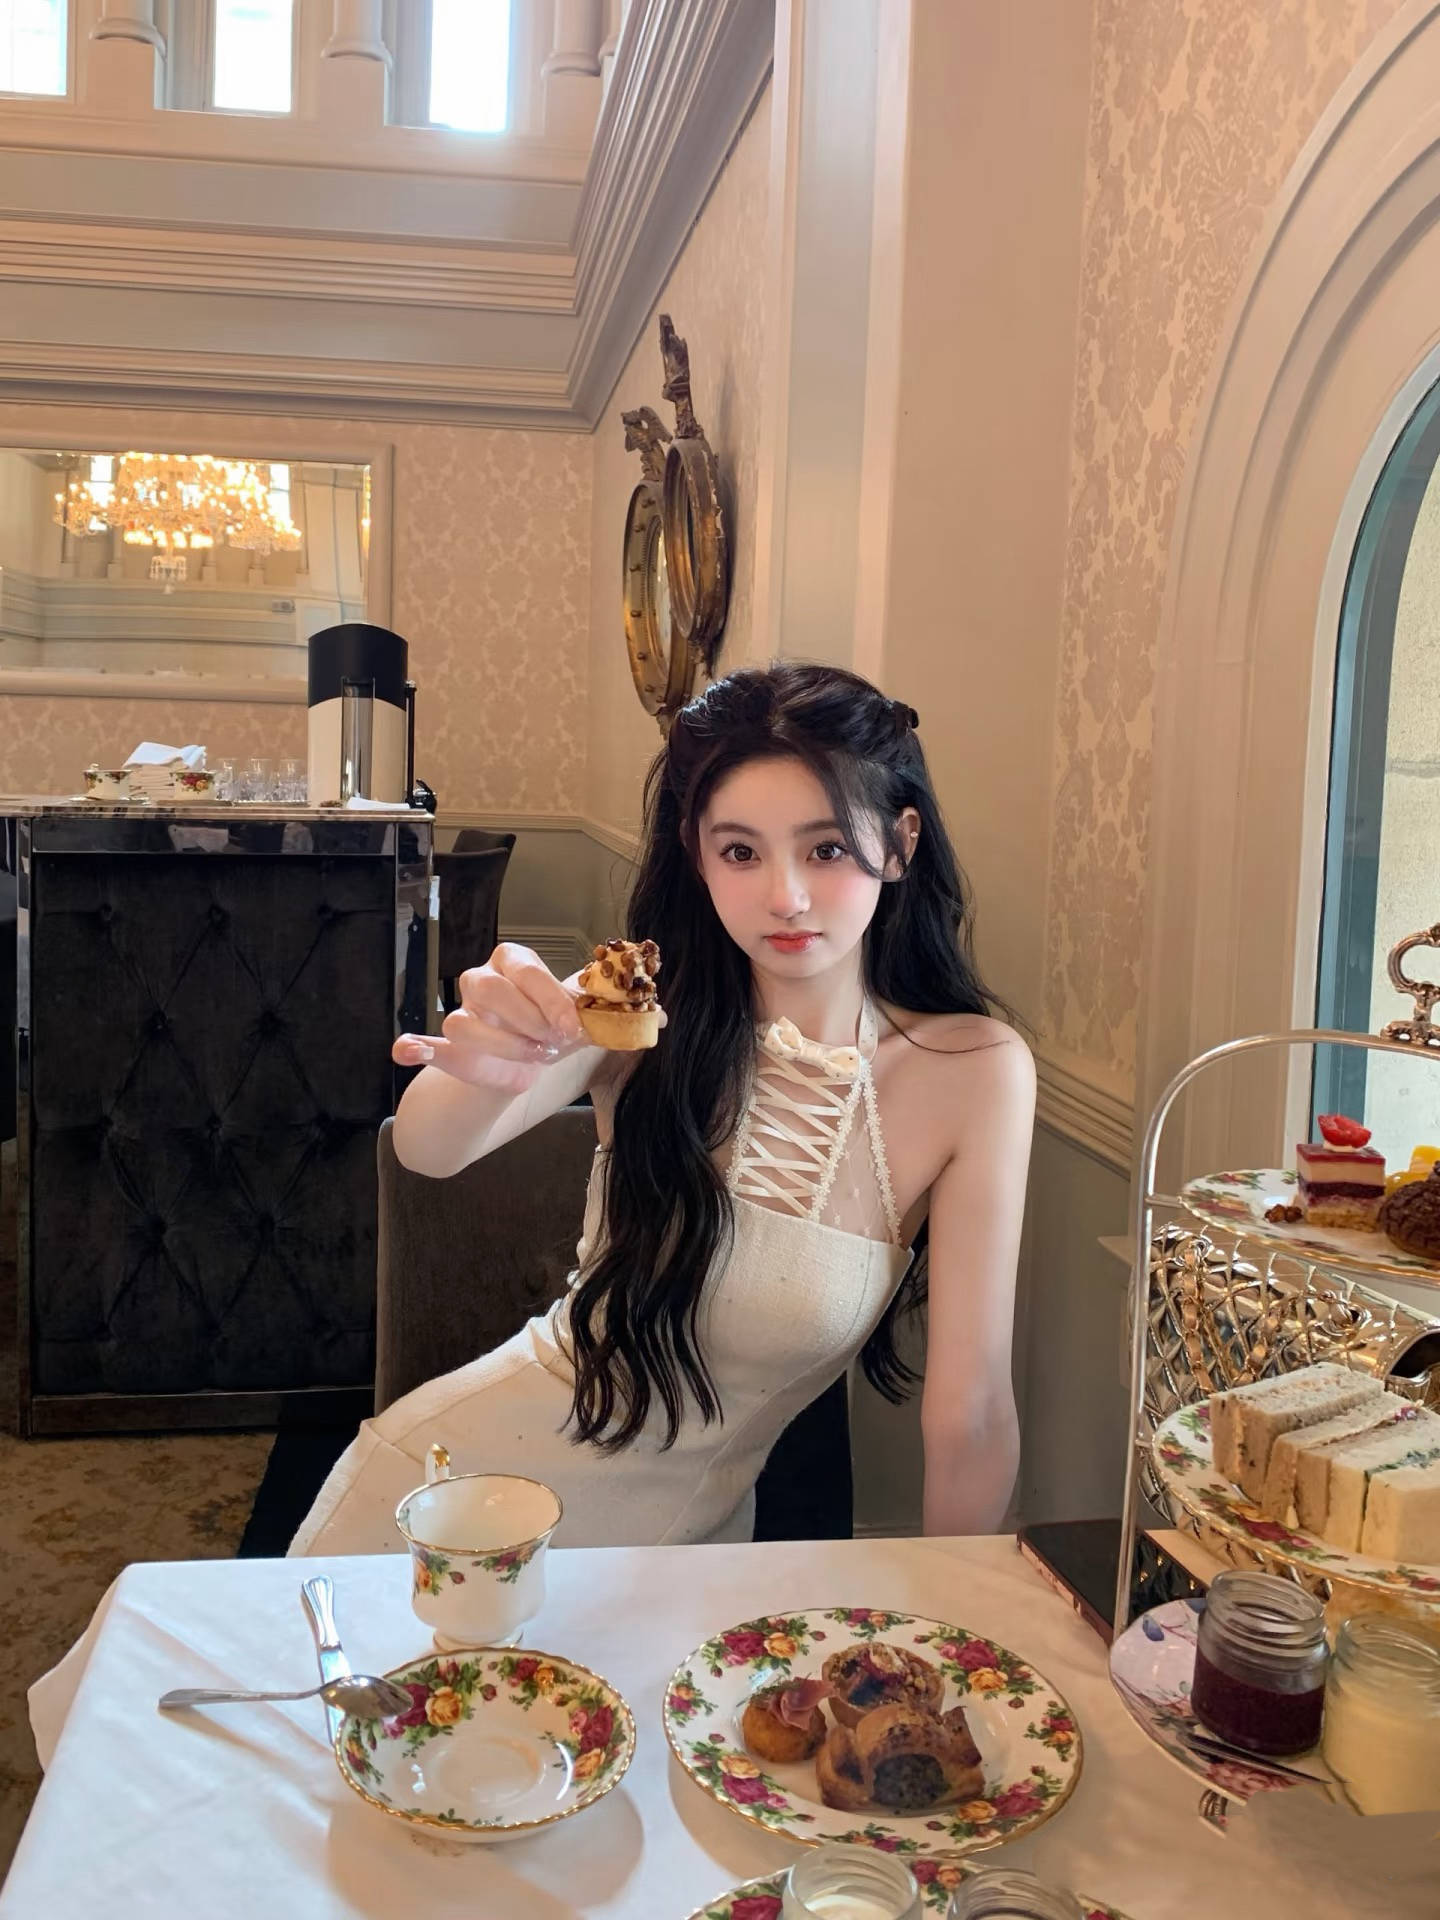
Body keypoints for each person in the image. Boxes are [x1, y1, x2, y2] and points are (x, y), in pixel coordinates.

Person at [289, 663, 1032, 1554]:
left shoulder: (974, 1072)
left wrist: (961, 1607)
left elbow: (972, 1411)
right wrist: (491, 1058)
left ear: (901, 843)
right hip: (458, 1508)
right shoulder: (635, 1007)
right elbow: (426, 1150)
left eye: (828, 849)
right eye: (741, 851)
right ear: (697, 854)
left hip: (688, 1560)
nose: (786, 896)